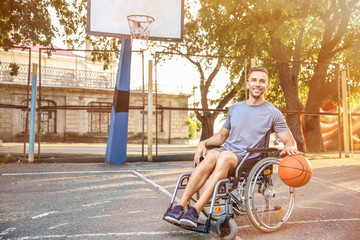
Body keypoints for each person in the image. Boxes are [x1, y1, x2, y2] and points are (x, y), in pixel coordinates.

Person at [164, 66, 303, 227]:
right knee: (211, 155)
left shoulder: (273, 113)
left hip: (247, 159)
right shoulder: (235, 108)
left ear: (267, 86)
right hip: (226, 153)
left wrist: (289, 147)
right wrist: (203, 143)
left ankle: (195, 210)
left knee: (223, 156)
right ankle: (180, 206)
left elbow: (290, 141)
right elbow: (222, 136)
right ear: (248, 84)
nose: (258, 84)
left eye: (262, 81)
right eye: (254, 80)